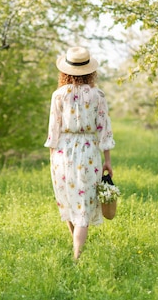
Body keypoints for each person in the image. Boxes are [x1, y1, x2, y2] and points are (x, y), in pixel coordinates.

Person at [44, 46, 115, 260]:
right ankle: (77, 255)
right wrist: (108, 161)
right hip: (88, 152)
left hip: (61, 153)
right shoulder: (97, 95)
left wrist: (51, 158)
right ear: (89, 70)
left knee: (67, 200)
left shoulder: (58, 95)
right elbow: (104, 128)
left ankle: (77, 252)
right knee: (82, 204)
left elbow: (53, 130)